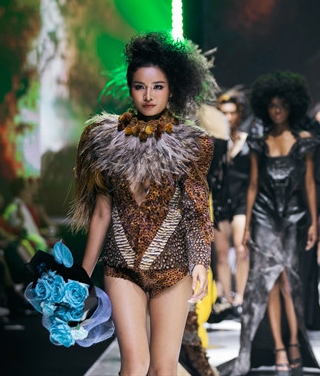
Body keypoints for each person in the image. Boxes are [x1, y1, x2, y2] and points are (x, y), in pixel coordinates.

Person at [71, 32, 215, 376]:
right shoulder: (104, 139)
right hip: (121, 267)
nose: (148, 96)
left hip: (173, 269)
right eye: (140, 87)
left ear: (171, 89)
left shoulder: (192, 143)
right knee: (135, 366)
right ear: (130, 87)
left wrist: (200, 260)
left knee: (164, 369)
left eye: (158, 87)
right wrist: (81, 275)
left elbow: (196, 208)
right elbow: (102, 211)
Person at [221, 71, 320, 376]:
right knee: (269, 283)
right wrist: (248, 225)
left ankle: (295, 342)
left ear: (292, 107)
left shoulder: (304, 142)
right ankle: (279, 346)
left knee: (290, 282)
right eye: (273, 106)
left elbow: (310, 184)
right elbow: (253, 184)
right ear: (266, 107)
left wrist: (314, 222)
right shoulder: (260, 142)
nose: (277, 111)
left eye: (283, 106)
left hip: (293, 216)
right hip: (264, 214)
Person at [216, 90, 250, 309]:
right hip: (219, 200)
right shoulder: (215, 142)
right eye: (224, 113)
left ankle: (241, 298)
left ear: (239, 114)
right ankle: (227, 299)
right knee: (221, 253)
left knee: (241, 249)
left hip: (242, 199)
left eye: (232, 112)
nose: (229, 117)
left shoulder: (248, 140)